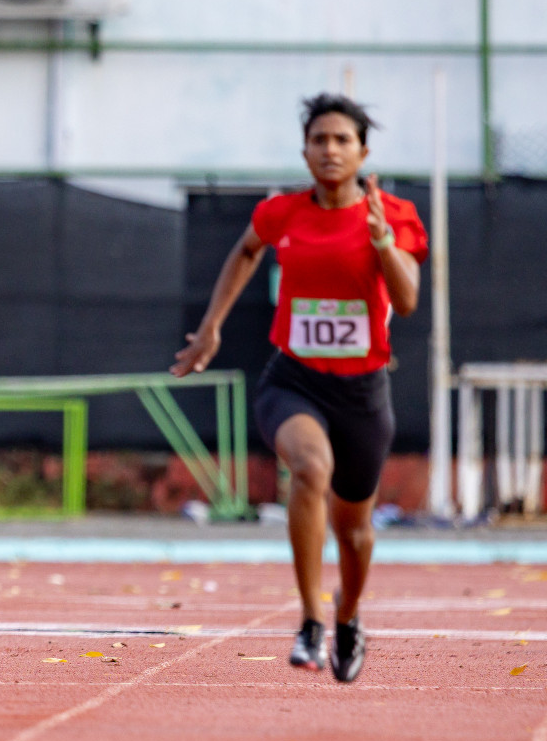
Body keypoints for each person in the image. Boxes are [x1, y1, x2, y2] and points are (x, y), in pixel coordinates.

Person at [171, 94, 427, 683]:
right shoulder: (282, 212)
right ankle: (311, 616)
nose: (330, 150)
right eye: (320, 140)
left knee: (355, 531)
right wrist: (210, 327)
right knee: (311, 469)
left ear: (363, 151)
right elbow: (246, 250)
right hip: (294, 381)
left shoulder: (395, 214)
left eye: (342, 140)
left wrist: (383, 242)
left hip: (363, 393)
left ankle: (348, 614)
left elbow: (408, 301)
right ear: (306, 150)